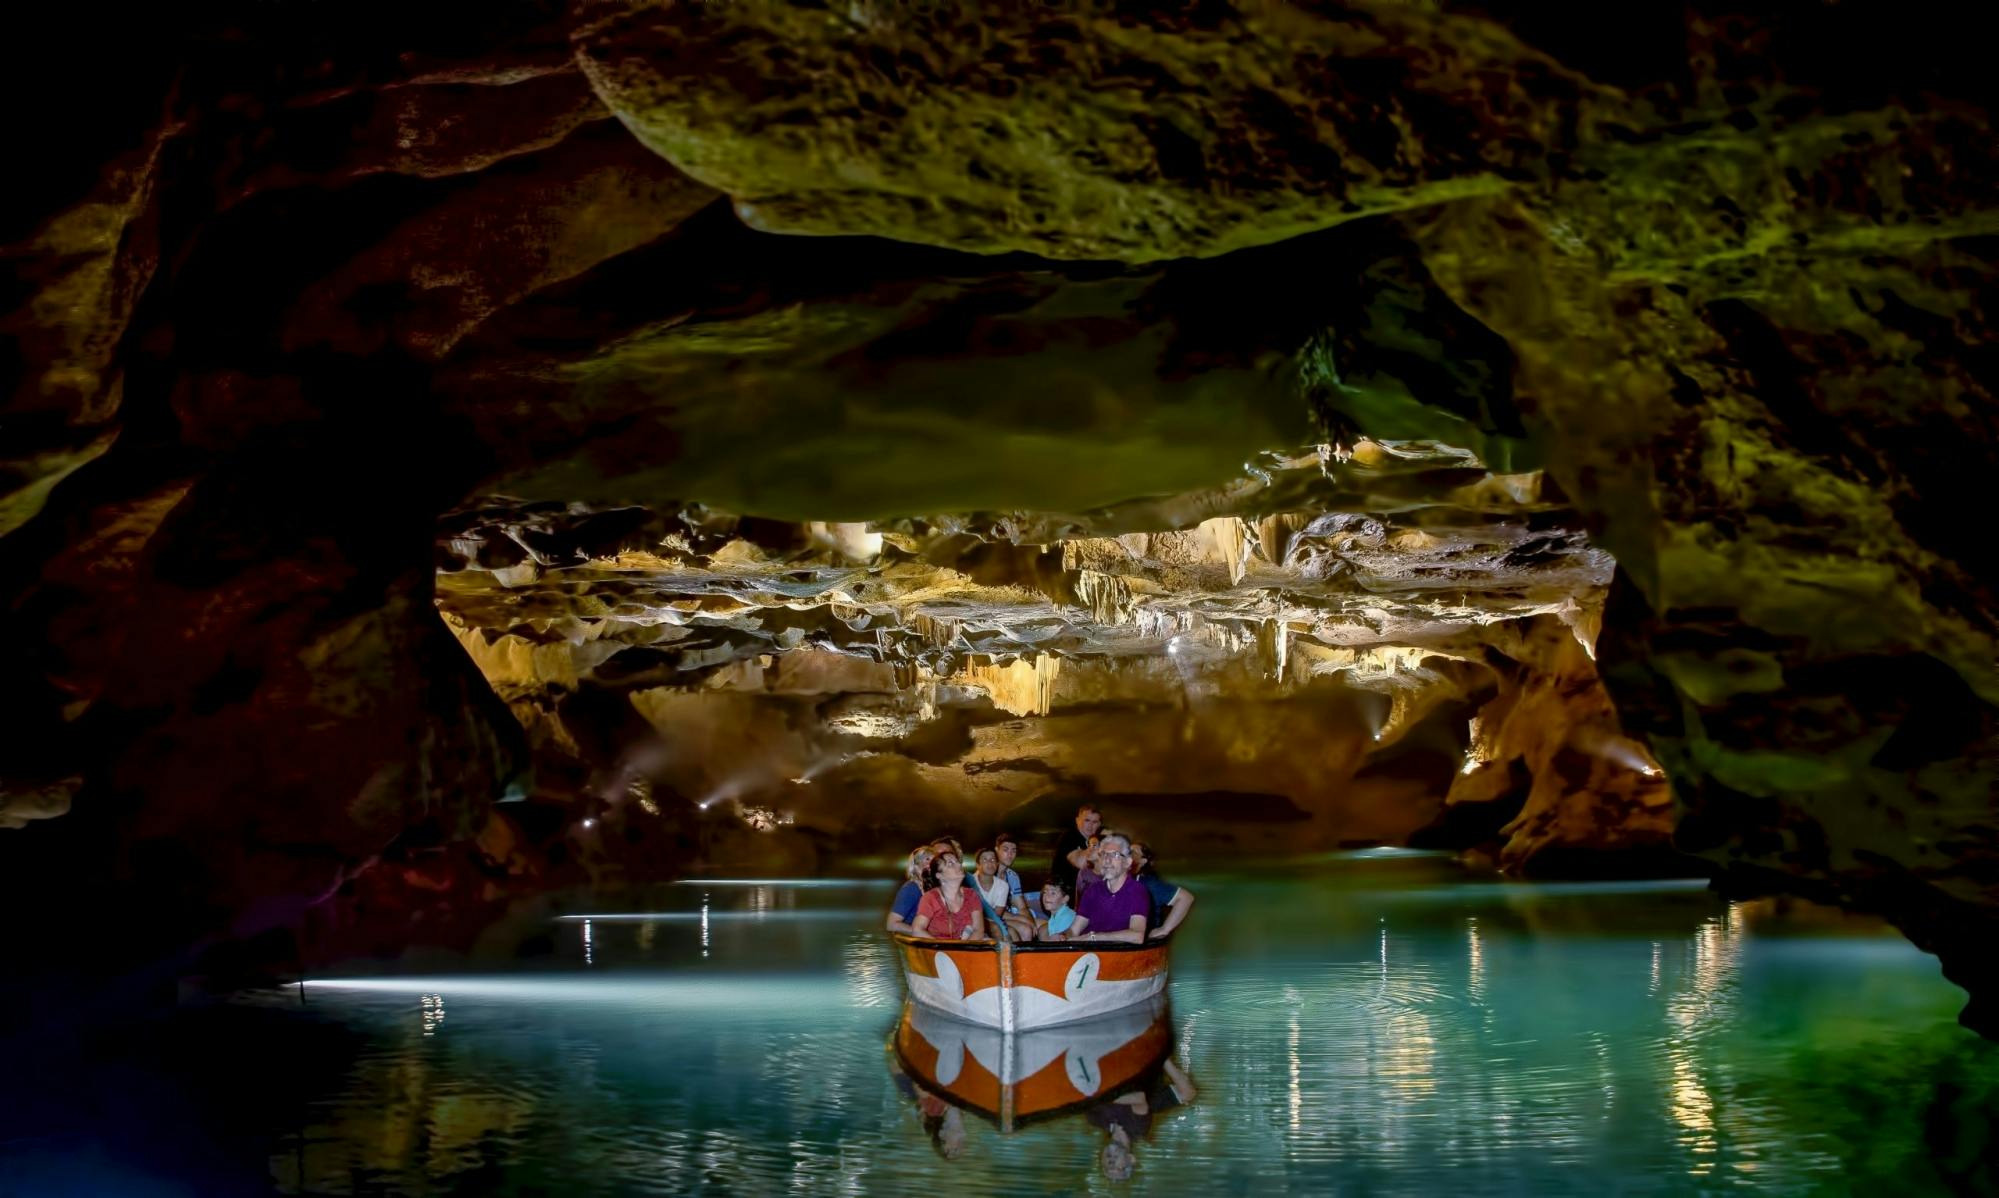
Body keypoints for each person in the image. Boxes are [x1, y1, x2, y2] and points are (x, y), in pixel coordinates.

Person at [1070, 831, 1148, 944]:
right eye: (1103, 854)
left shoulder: (1137, 891)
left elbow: (1137, 936)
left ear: (1127, 862)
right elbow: (1074, 930)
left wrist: (1093, 937)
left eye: (1115, 855)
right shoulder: (1092, 891)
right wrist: (1062, 937)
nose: (1107, 860)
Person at [1129, 841, 1196, 940]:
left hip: (1144, 946)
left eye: (1132, 852)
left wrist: (1164, 929)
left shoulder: (1148, 882)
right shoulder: (1124, 880)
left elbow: (1186, 898)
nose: (1126, 853)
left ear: (1143, 861)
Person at [913, 851, 986, 941]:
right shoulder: (930, 898)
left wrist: (962, 951)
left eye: (957, 862)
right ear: (939, 875)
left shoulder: (971, 895)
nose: (959, 865)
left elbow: (978, 930)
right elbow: (917, 930)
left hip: (967, 949)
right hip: (937, 951)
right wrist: (943, 950)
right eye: (951, 863)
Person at [1050, 803, 1102, 892]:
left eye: (1094, 822)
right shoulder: (1069, 837)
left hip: (1087, 892)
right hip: (1064, 894)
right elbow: (1081, 863)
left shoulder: (1100, 839)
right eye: (1087, 820)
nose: (1090, 825)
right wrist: (1094, 843)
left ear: (1099, 824)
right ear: (1077, 821)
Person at [886, 845, 934, 934]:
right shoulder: (911, 889)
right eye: (927, 859)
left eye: (935, 860)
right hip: (917, 939)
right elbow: (891, 924)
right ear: (916, 865)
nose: (932, 863)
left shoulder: (933, 888)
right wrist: (920, 932)